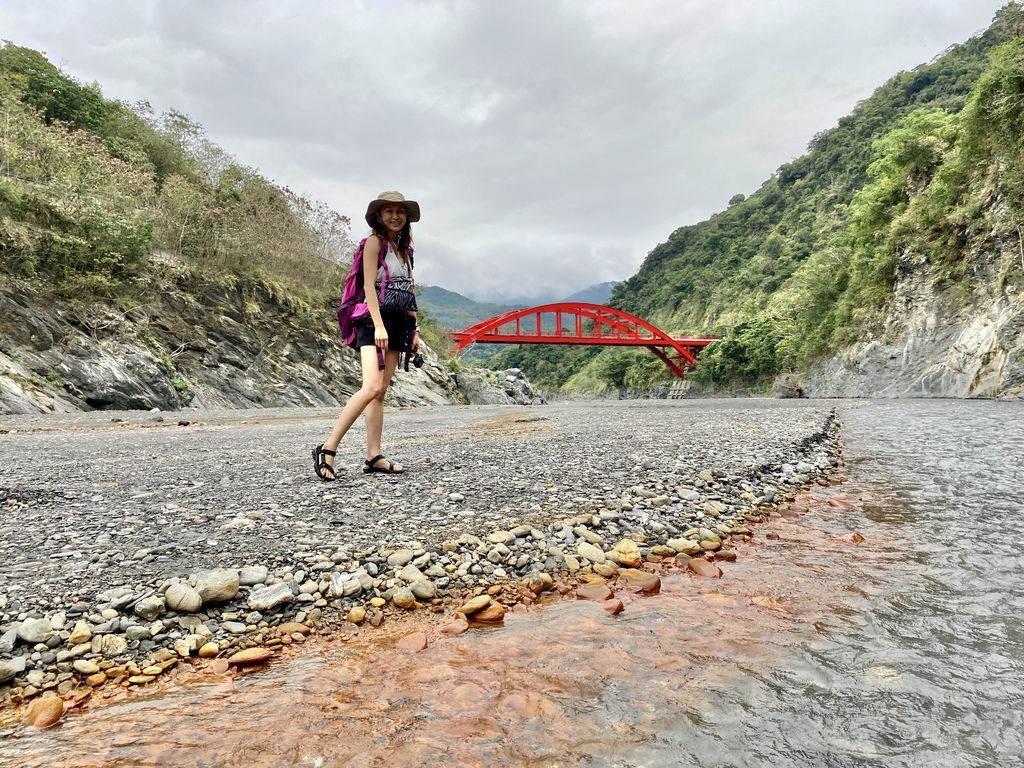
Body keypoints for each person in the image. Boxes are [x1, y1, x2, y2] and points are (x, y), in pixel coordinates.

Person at [312, 191, 420, 480]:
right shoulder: (375, 243)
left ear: (406, 217)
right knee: (371, 386)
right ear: (379, 216)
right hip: (374, 322)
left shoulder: (405, 251)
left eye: (400, 211)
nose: (395, 216)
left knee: (381, 393)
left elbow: (409, 292)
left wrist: (415, 329)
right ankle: (328, 448)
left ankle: (374, 456)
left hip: (398, 323)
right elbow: (369, 287)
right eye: (389, 211)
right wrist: (379, 324)